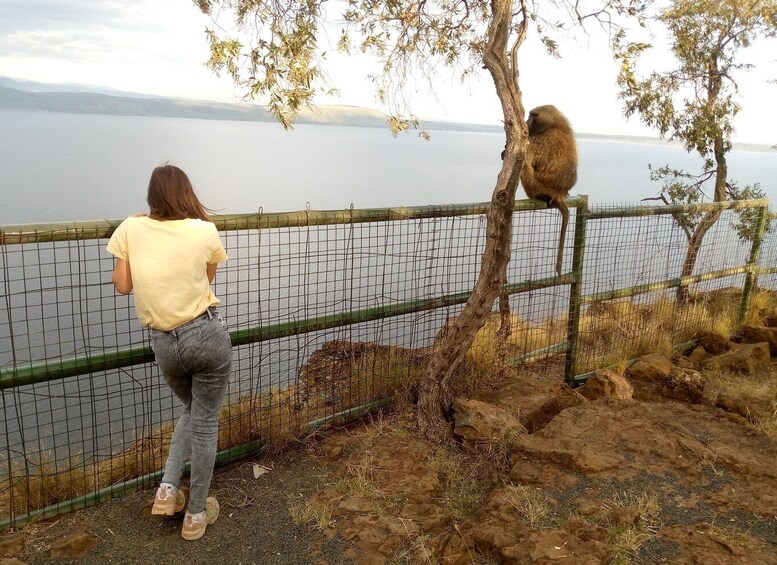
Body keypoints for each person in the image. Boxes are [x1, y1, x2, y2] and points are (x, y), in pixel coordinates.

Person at [107, 164, 232, 540]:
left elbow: (123, 285)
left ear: (152, 196)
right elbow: (206, 276)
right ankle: (195, 514)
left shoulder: (131, 228)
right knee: (205, 420)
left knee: (192, 409)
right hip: (206, 336)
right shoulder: (205, 230)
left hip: (164, 344)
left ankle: (166, 490)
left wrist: (130, 240)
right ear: (187, 193)